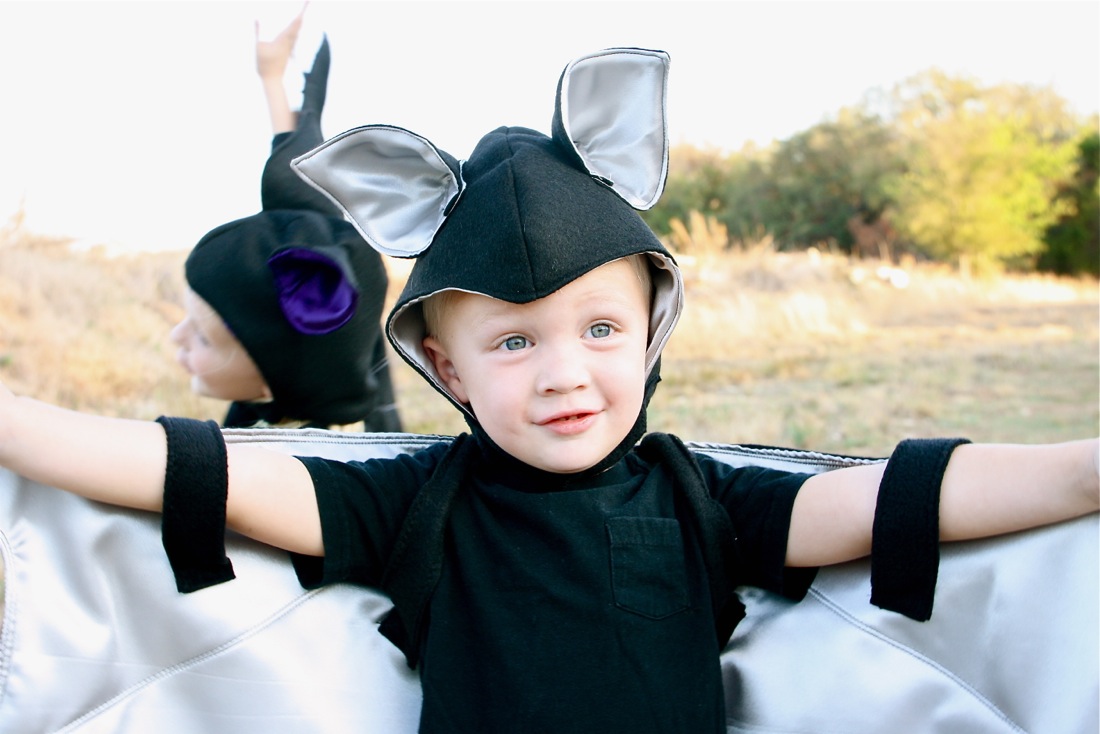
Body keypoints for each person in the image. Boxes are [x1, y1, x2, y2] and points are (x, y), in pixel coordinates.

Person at [0, 47, 1096, 734]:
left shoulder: (701, 495)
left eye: (601, 326)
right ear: (444, 365)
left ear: (653, 324)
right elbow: (199, 473)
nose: (567, 369)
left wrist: (1085, 464)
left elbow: (901, 496)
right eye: (514, 340)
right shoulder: (416, 501)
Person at [170, 8, 402, 432]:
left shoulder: (277, 472)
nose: (175, 338)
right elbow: (302, 205)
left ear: (271, 376)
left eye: (203, 337)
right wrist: (272, 79)